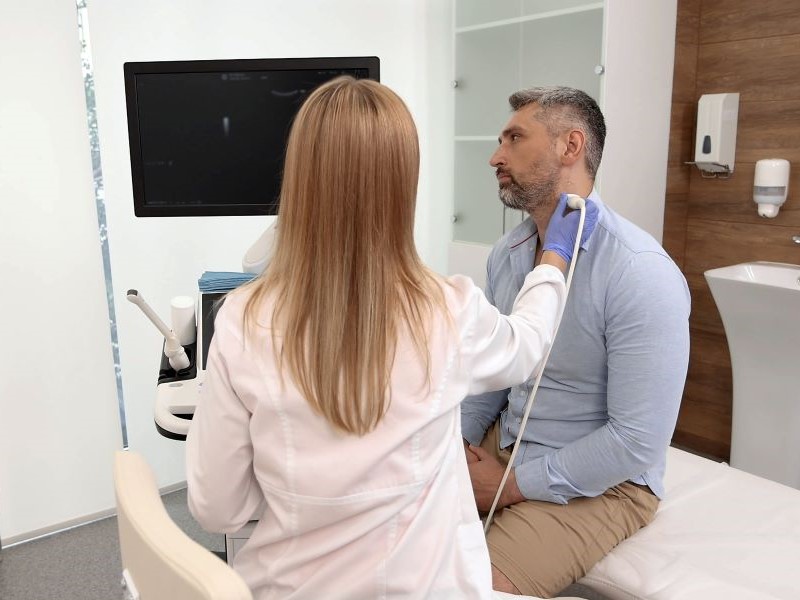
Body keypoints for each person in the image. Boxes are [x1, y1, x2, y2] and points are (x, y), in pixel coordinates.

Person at [185, 76, 597, 599]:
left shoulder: (243, 320)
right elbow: (527, 343)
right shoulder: (447, 309)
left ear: (299, 178)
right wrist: (554, 259)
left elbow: (218, 508)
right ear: (403, 184)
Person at [461, 86, 691, 598]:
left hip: (604, 481)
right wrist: (458, 441)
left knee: (475, 588)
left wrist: (508, 486)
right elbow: (491, 372)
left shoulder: (639, 273)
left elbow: (635, 442)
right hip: (506, 443)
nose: (496, 156)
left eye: (515, 138)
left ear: (571, 146)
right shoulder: (509, 253)